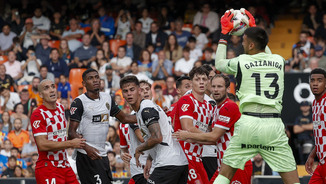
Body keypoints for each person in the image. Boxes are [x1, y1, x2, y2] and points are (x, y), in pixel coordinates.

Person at [213, 10, 299, 184]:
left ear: (251, 45)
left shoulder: (241, 61)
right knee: (293, 181)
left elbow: (219, 64)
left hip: (248, 124)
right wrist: (254, 28)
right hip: (273, 126)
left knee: (225, 175)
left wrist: (223, 35)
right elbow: (266, 54)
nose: (242, 43)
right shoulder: (279, 60)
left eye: (244, 41)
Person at [173, 74, 252, 183]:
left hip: (237, 164)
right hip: (223, 165)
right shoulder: (216, 109)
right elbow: (218, 141)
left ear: (228, 89)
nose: (215, 90)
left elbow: (214, 137)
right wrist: (192, 140)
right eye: (213, 86)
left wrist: (188, 135)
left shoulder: (229, 106)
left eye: (219, 87)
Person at [68, 68, 137, 184]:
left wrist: (152, 114)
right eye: (90, 78)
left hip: (102, 155)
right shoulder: (79, 102)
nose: (95, 80)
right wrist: (87, 148)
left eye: (97, 77)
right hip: (86, 156)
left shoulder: (107, 98)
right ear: (84, 84)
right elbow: (71, 133)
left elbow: (124, 118)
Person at [120, 75, 188, 184]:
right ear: (122, 94)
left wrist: (139, 149)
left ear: (139, 90)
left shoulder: (146, 108)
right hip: (179, 162)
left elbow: (157, 138)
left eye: (132, 90)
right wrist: (150, 159)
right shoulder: (143, 110)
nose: (129, 93)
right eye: (125, 91)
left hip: (168, 163)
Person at [30, 79, 86, 184]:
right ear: (41, 95)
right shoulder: (38, 114)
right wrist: (71, 143)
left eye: (52, 86)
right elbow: (42, 145)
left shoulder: (61, 108)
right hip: (48, 166)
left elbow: (60, 135)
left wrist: (76, 137)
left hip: (65, 165)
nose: (51, 90)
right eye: (46, 88)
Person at [173, 66, 214, 184]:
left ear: (208, 82)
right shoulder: (186, 100)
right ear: (191, 83)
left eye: (204, 79)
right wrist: (212, 138)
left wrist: (213, 138)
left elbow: (210, 131)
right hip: (184, 156)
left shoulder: (208, 105)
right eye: (197, 79)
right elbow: (188, 128)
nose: (201, 82)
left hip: (197, 156)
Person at [305, 68, 326, 183]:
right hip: (322, 162)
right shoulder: (315, 103)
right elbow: (321, 134)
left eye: (320, 80)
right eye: (312, 80)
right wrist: (312, 155)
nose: (315, 83)